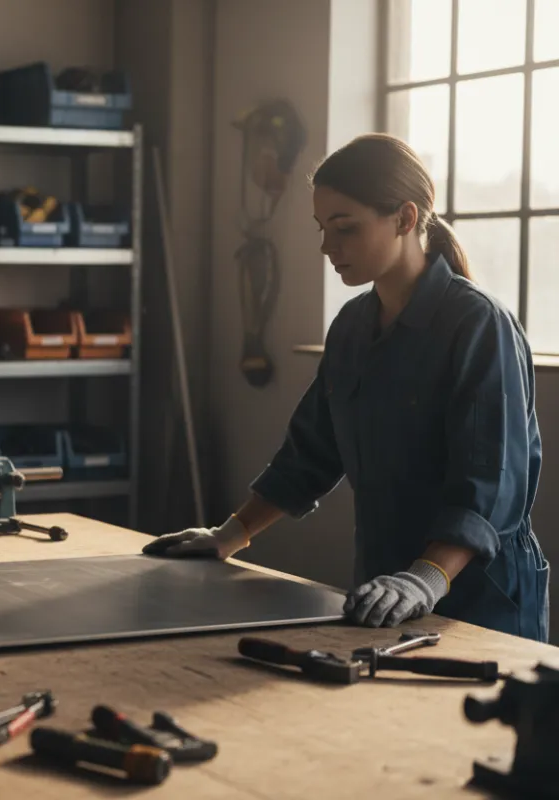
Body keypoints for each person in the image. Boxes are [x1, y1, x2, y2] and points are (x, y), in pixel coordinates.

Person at [144, 133, 550, 643]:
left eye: (345, 229)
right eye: (321, 229)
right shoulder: (354, 326)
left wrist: (426, 578)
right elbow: (310, 451)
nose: (326, 247)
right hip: (385, 589)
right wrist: (229, 535)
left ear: (405, 219)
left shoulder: (478, 325)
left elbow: (489, 486)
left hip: (479, 598)